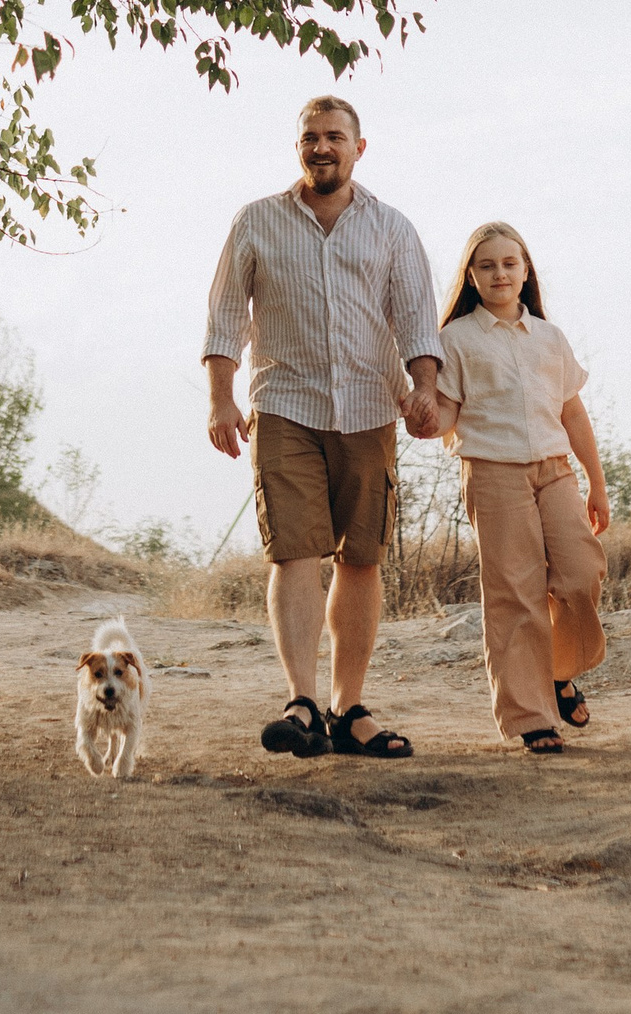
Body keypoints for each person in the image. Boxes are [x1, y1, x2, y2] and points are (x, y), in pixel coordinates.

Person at [203, 94, 442, 760]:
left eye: (335, 137)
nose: (321, 148)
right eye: (310, 137)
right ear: (298, 147)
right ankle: (302, 702)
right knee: (295, 553)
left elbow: (417, 322)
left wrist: (424, 389)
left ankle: (349, 708)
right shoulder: (256, 222)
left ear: (358, 148)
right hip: (285, 406)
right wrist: (222, 399)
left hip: (369, 411)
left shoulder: (392, 228)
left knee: (361, 559)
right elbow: (224, 319)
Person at [433, 220, 611, 755]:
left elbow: (573, 412)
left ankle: (558, 672)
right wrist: (421, 407)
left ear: (526, 270)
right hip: (494, 471)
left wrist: (596, 484)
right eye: (486, 265)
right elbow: (445, 415)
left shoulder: (550, 338)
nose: (499, 273)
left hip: (554, 469)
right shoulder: (455, 340)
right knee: (516, 594)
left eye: (509, 263)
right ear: (471, 275)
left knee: (581, 574)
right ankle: (532, 716)